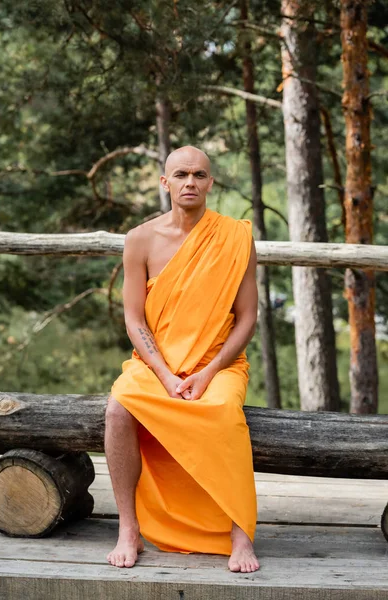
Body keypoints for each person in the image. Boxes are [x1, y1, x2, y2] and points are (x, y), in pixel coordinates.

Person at [105, 145, 259, 573]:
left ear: (210, 182)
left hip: (219, 363)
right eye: (180, 175)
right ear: (165, 182)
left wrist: (209, 371)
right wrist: (166, 374)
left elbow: (247, 319)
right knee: (119, 409)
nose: (189, 182)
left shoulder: (236, 237)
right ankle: (128, 528)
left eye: (198, 174)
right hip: (156, 364)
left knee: (226, 412)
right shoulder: (140, 239)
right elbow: (134, 319)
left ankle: (240, 534)